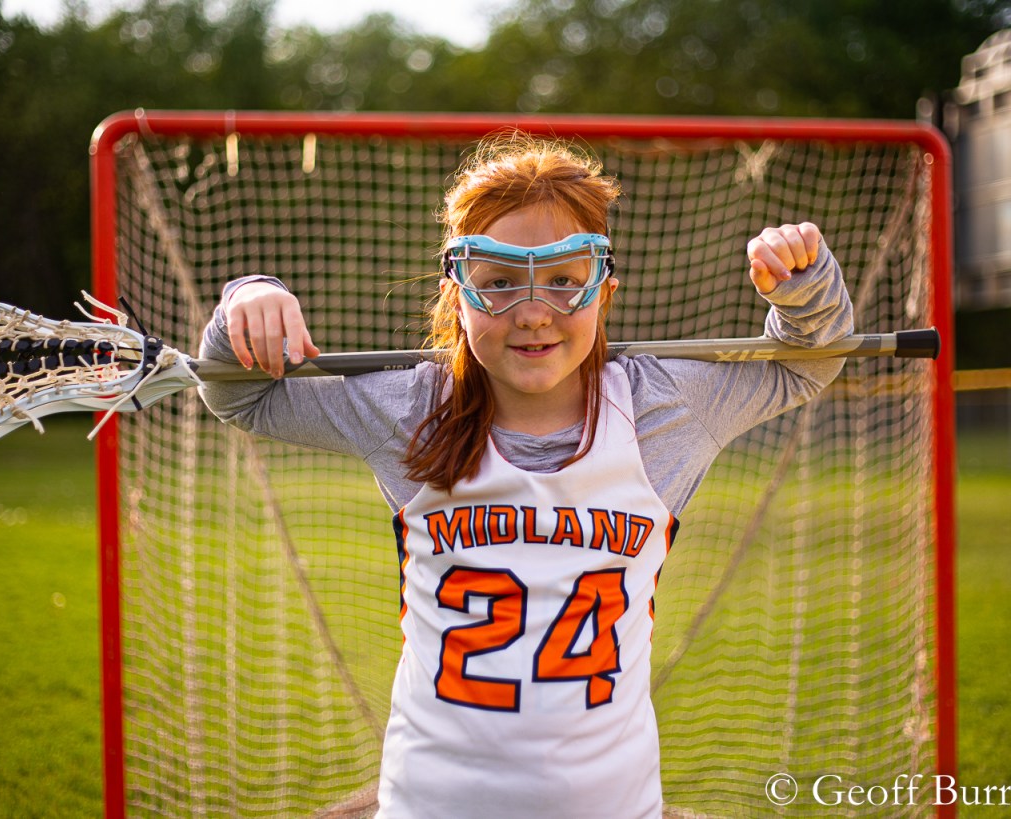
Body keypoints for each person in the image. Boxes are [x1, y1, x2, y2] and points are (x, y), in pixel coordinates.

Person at [199, 133, 853, 818]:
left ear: (605, 293)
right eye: (500, 282)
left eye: (565, 281)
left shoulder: (662, 410)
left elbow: (807, 360)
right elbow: (242, 396)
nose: (534, 312)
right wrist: (250, 297)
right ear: (457, 297)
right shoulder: (414, 408)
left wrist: (801, 281)